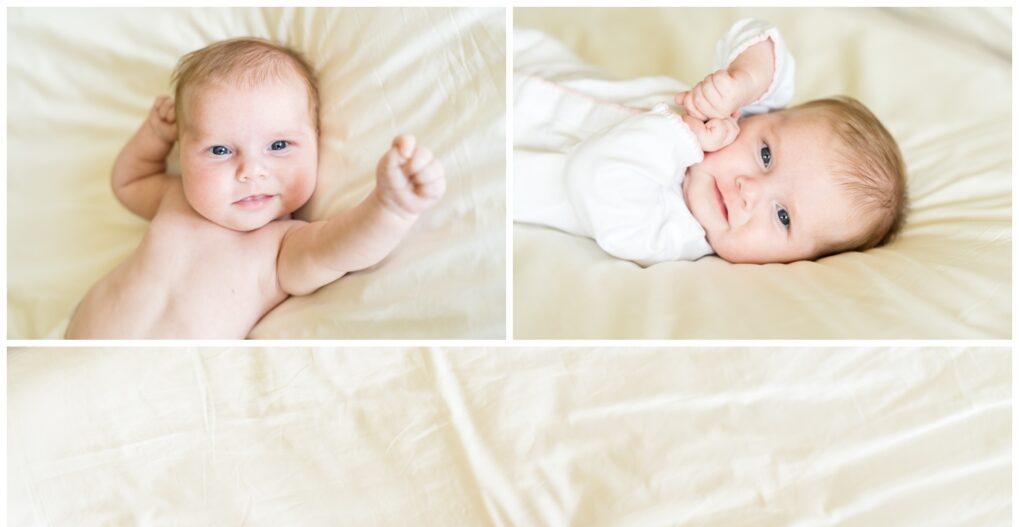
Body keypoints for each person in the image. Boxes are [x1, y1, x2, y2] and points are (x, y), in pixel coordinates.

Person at [66, 37, 446, 339]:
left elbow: (343, 246)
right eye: (219, 150)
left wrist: (391, 207)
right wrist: (153, 137)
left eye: (278, 146)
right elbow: (129, 182)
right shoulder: (178, 197)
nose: (250, 171)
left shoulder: (281, 246)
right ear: (183, 152)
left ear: (316, 142)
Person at [514, 18, 907, 265]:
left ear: (793, 261)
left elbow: (594, 174)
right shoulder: (741, 117)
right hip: (524, 58)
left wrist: (685, 136)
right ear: (766, 116)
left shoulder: (669, 234)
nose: (748, 189)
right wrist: (743, 83)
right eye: (766, 155)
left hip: (497, 149)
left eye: (782, 216)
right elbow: (762, 39)